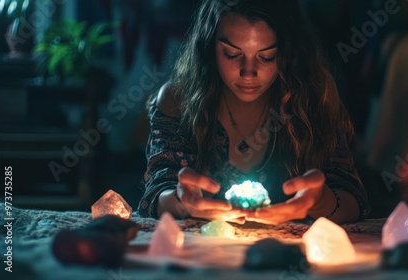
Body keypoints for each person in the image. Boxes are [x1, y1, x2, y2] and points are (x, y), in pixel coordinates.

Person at [138, 0, 370, 225]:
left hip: (290, 259)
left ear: (288, 53)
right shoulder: (178, 99)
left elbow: (354, 198)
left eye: (266, 56)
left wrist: (320, 201)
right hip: (201, 260)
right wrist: (180, 201)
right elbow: (155, 193)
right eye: (231, 54)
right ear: (209, 46)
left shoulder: (314, 95)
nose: (248, 72)